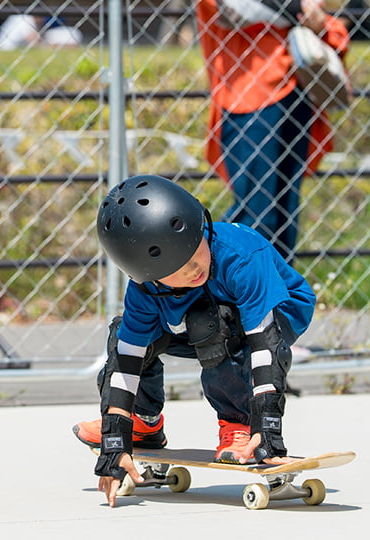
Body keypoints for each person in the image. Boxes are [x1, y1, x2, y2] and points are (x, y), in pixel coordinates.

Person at [72, 175, 315, 507]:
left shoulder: (241, 257)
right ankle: (144, 421)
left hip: (278, 311)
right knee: (125, 332)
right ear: (148, 275)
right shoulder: (146, 291)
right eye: (176, 267)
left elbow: (264, 344)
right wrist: (116, 440)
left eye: (193, 252)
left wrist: (267, 429)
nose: (192, 269)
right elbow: (127, 358)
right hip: (199, 317)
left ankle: (238, 424)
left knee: (213, 324)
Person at [196, 0, 349, 264]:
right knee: (256, 215)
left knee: (284, 215)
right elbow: (230, 7)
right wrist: (301, 8)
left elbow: (321, 18)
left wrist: (314, 17)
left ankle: (276, 301)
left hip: (296, 86)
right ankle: (214, 292)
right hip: (248, 93)